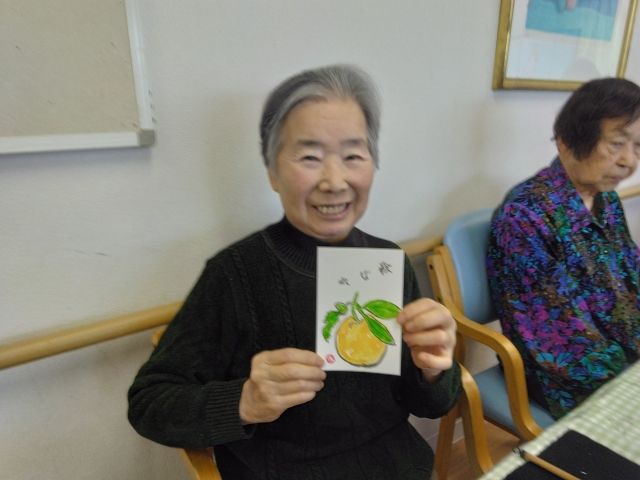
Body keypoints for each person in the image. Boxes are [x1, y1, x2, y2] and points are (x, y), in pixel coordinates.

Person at [128, 64, 461, 479]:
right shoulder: (235, 275)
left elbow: (432, 405)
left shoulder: (386, 261)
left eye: (353, 156)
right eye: (310, 157)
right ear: (272, 172)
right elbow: (149, 403)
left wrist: (433, 369)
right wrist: (245, 401)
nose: (334, 181)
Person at [487, 78, 640, 419]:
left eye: (638, 146)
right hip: (565, 373)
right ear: (567, 141)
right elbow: (558, 340)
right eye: (616, 143)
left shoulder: (606, 200)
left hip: (621, 350)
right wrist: (630, 379)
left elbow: (631, 274)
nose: (629, 161)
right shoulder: (525, 216)